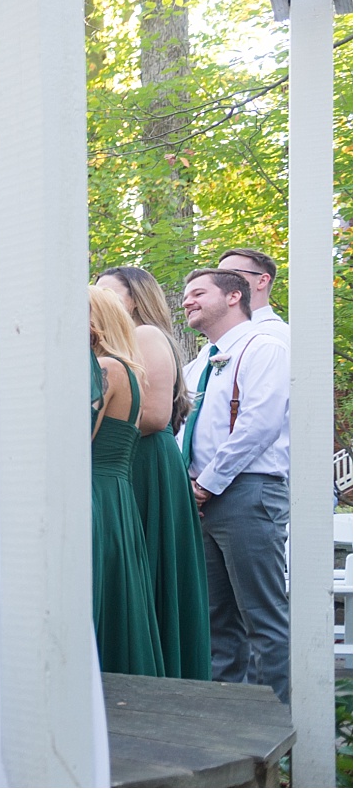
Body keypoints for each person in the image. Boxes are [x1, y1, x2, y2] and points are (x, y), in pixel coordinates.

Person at [95, 267, 210, 680]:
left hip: (139, 460)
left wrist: (99, 419)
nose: (97, 300)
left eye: (107, 293)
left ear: (136, 301)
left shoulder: (144, 335)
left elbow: (157, 415)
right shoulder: (110, 346)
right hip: (124, 457)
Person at [181, 267, 291, 702]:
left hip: (248, 494)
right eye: (186, 295)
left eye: (197, 293)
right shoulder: (197, 366)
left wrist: (206, 484)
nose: (186, 300)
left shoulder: (265, 349)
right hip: (199, 498)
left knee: (262, 618)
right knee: (214, 620)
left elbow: (258, 424)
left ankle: (274, 734)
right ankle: (225, 728)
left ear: (233, 296)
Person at [86, 287, 165, 677]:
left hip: (93, 496)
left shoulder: (105, 369)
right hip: (114, 496)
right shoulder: (129, 369)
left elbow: (73, 439)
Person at [217, 248, 289, 345]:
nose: (219, 282)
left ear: (262, 281)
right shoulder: (219, 340)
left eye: (230, 274)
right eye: (217, 276)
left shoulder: (273, 334)